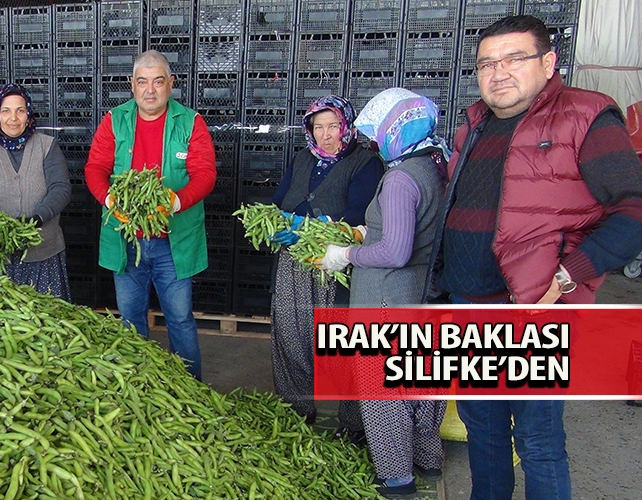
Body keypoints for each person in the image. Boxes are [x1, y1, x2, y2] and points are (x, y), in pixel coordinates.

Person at [426, 15, 642, 500]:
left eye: (513, 59)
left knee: (537, 438)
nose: (498, 72)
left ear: (548, 63)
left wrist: (569, 276)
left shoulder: (584, 115)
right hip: (469, 303)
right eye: (486, 63)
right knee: (483, 429)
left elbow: (634, 209)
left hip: (536, 309)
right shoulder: (473, 125)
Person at [318, 88, 449, 496]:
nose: (373, 143)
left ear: (396, 129)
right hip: (421, 294)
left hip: (387, 299)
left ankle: (396, 476)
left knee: (382, 390)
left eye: (377, 133)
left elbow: (394, 250)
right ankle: (427, 460)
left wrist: (347, 253)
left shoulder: (398, 179)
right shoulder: (433, 164)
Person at [84, 50, 216, 380]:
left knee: (180, 318)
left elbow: (205, 173)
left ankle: (190, 389)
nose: (150, 90)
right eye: (142, 82)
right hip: (127, 240)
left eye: (158, 81)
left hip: (173, 242)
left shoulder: (190, 122)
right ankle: (138, 387)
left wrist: (176, 201)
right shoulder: (115, 120)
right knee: (130, 318)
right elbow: (95, 167)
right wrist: (110, 197)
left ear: (171, 83)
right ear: (132, 85)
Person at [269, 95, 384, 438]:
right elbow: (279, 201)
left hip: (337, 265)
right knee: (291, 335)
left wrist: (315, 229)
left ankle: (354, 426)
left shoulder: (366, 163)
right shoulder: (302, 158)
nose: (326, 135)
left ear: (346, 126)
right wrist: (279, 223)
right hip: (293, 263)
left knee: (342, 344)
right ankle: (297, 411)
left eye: (333, 126)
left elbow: (362, 214)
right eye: (317, 127)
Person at [0, 83, 73, 300]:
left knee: (43, 320)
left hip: (43, 253)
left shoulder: (46, 145)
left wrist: (38, 218)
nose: (13, 118)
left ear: (28, 114)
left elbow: (60, 188)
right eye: (6, 110)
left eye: (20, 110)